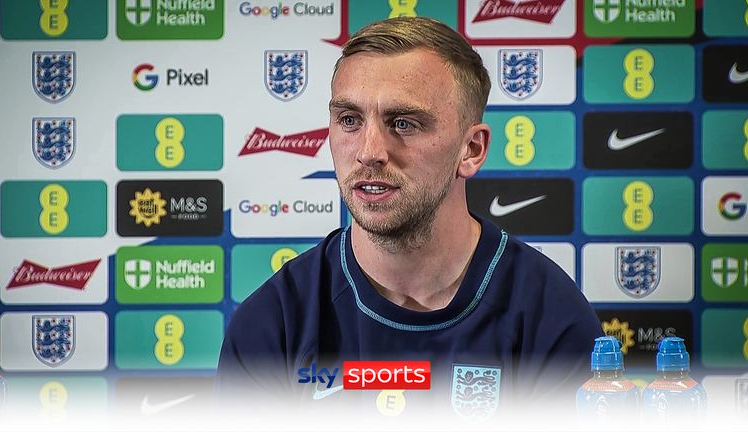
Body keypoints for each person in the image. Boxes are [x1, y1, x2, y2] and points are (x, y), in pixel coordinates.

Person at [218, 16, 603, 422]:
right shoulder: (272, 325)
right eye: (349, 120)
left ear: (471, 149)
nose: (369, 152)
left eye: (403, 123)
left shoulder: (551, 319)